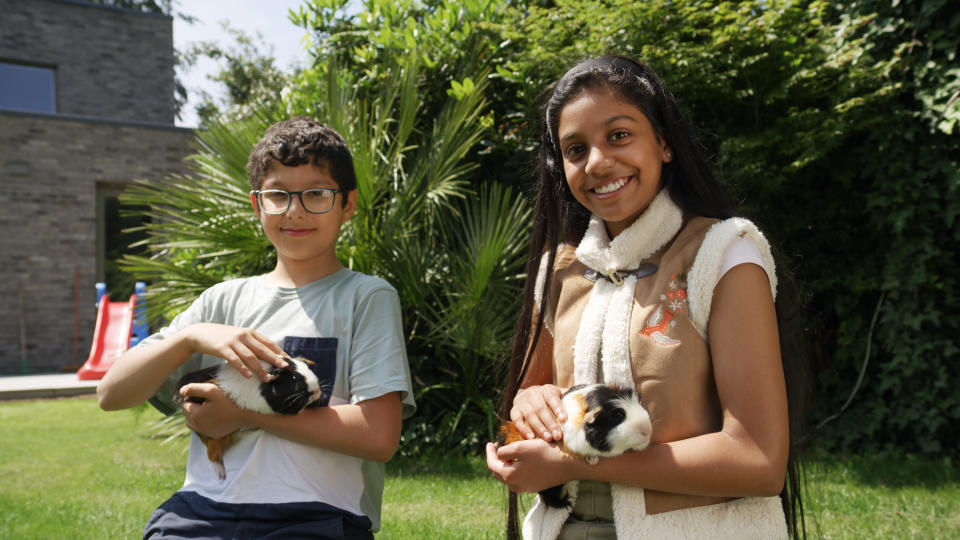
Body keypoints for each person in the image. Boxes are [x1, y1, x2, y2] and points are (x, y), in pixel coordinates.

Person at [485, 55, 809, 539]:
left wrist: (582, 466)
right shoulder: (560, 270)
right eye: (575, 149)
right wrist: (529, 403)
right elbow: (527, 421)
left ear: (664, 142)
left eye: (618, 135)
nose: (597, 162)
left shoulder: (725, 254)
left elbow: (759, 461)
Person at [98, 116, 416, 539]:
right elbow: (111, 393)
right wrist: (190, 338)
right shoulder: (221, 300)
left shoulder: (366, 297)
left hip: (314, 516)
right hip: (201, 510)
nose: (295, 210)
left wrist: (245, 414)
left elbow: (379, 437)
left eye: (316, 194)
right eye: (278, 195)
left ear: (348, 204)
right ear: (257, 204)